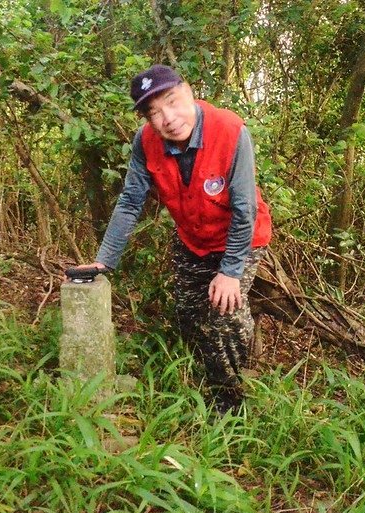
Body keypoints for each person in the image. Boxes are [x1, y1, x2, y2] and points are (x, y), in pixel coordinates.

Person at [78, 64, 272, 414]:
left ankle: (229, 403)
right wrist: (105, 259)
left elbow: (245, 209)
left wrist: (229, 273)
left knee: (222, 314)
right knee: (187, 314)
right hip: (193, 238)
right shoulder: (145, 142)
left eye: (172, 101)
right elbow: (130, 201)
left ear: (189, 92)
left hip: (240, 237)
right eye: (154, 112)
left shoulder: (229, 130)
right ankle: (205, 372)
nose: (168, 118)